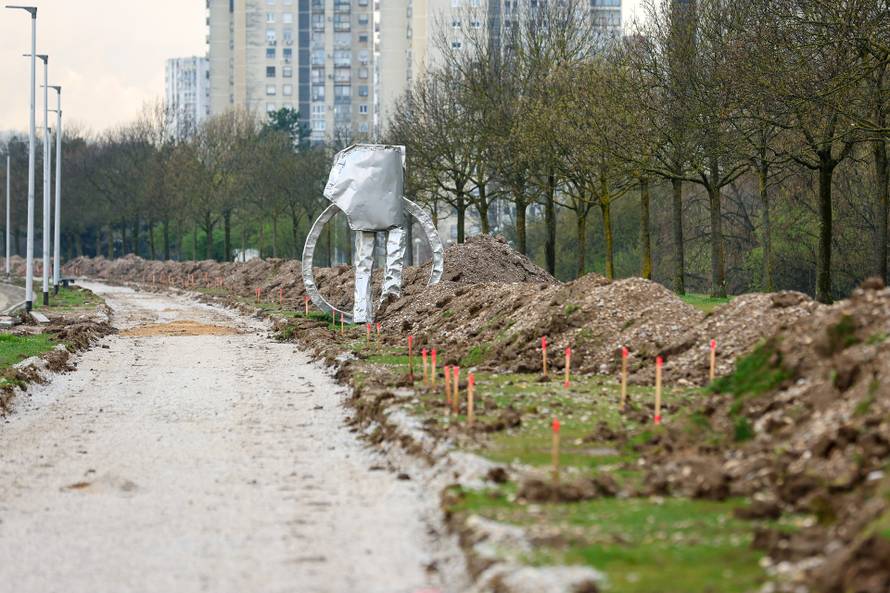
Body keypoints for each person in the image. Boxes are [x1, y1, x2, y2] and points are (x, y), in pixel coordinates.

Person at [323, 144, 408, 323]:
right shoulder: (394, 158)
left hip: (369, 212)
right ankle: (384, 304)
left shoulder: (352, 159)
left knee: (365, 259)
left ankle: (366, 311)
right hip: (383, 211)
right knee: (373, 254)